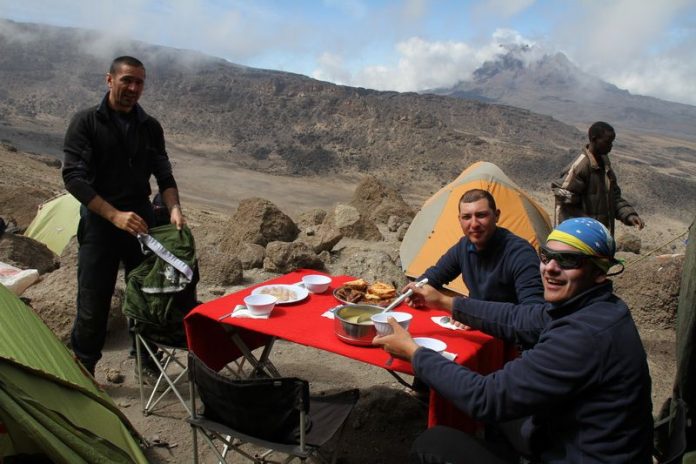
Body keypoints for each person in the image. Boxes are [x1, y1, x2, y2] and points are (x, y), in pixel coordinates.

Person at [374, 217, 653, 463]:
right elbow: (520, 318)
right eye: (546, 255)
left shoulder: (583, 335)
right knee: (504, 418)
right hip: (572, 438)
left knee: (433, 443)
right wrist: (446, 302)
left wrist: (415, 353)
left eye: (568, 261)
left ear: (600, 272)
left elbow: (486, 397)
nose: (550, 268)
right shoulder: (596, 307)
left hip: (582, 455)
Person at [62, 56, 185, 377]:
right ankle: (84, 371)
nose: (133, 88)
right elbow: (73, 178)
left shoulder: (150, 126)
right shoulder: (86, 122)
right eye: (126, 80)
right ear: (109, 80)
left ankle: (146, 361)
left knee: (147, 296)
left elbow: (164, 175)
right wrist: (114, 215)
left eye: (139, 82)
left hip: (141, 223)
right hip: (100, 223)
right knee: (93, 301)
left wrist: (174, 208)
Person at [405, 188, 544, 308]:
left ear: (496, 216)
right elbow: (434, 276)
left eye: (481, 215)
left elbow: (533, 312)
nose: (474, 224)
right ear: (459, 220)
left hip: (508, 330)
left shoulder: (520, 254)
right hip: (475, 322)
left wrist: (469, 312)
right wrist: (415, 290)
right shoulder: (464, 247)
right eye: (467, 217)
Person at [552, 121, 645, 236]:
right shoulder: (580, 167)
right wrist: (590, 224)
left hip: (599, 234)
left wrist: (629, 215)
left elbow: (613, 197)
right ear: (594, 139)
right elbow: (564, 199)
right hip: (581, 236)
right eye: (607, 142)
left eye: (612, 142)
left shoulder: (605, 166)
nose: (610, 146)